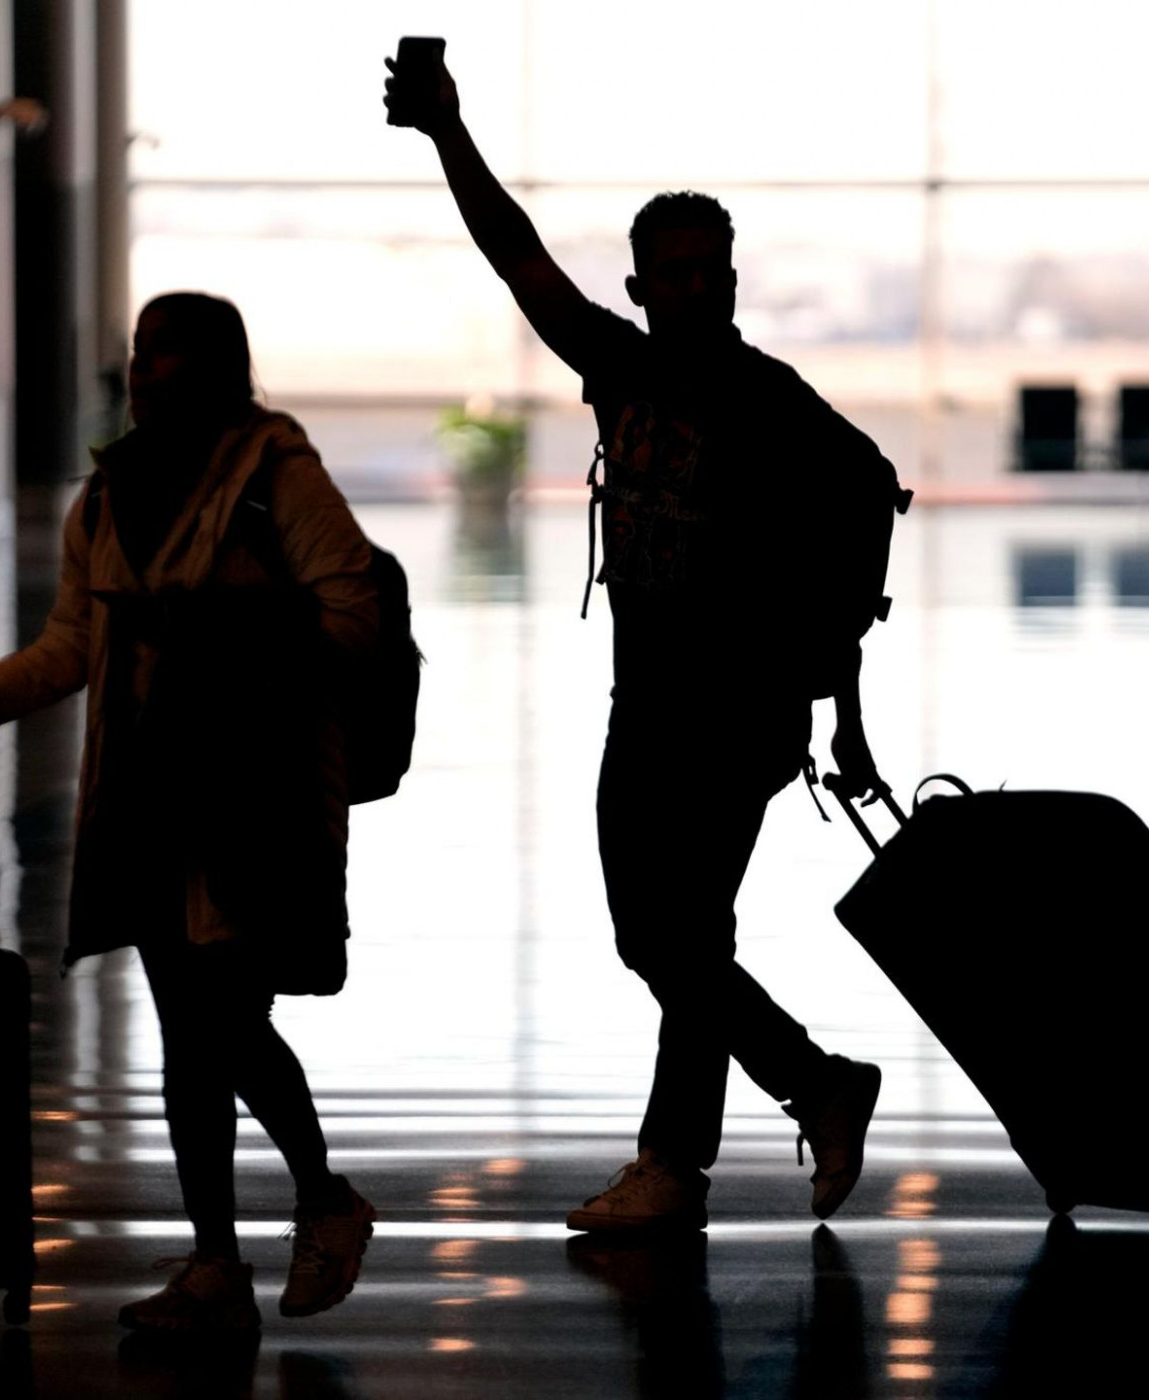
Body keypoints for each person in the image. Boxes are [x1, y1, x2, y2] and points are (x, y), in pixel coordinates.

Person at [385, 51, 891, 1231]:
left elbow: (866, 498)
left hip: (738, 714)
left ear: (729, 279)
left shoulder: (768, 400)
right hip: (645, 702)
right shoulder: (620, 370)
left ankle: (713, 1143)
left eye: (707, 272)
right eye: (669, 275)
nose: (691, 290)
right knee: (658, 936)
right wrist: (448, 135)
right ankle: (765, 1111)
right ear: (642, 284)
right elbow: (514, 256)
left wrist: (836, 698)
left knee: (677, 932)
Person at [0, 292, 379, 1331]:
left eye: (169, 358)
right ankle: (216, 1260)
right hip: (146, 793)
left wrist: (210, 624)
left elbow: (351, 612)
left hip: (252, 794)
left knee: (226, 1020)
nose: (146, 375)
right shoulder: (111, 491)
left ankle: (324, 1198)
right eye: (140, 356)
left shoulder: (277, 478)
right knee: (186, 1032)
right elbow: (77, 639)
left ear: (223, 373)